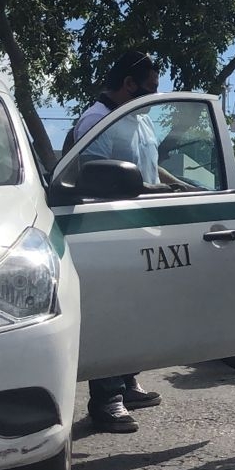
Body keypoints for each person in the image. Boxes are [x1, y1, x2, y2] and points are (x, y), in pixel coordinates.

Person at [66, 50, 184, 434]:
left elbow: (146, 163)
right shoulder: (97, 121)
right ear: (128, 84)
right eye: (148, 87)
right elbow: (94, 175)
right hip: (111, 230)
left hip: (143, 228)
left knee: (140, 312)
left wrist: (173, 185)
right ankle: (106, 398)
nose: (153, 95)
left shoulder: (137, 119)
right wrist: (147, 189)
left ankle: (127, 381)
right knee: (115, 312)